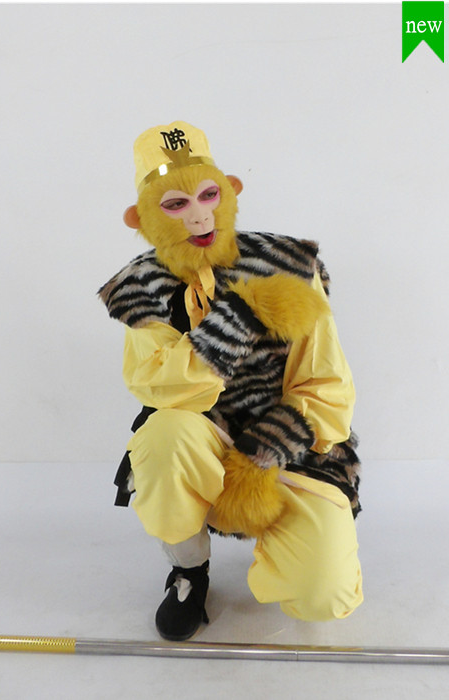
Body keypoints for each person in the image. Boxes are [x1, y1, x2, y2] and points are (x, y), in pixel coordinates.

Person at [99, 121, 363, 641]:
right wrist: (239, 317)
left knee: (325, 597)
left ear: (231, 193)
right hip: (202, 438)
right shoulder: (140, 287)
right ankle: (189, 570)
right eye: (175, 204)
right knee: (163, 434)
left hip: (293, 445)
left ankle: (301, 545)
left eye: (209, 195)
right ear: (142, 218)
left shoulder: (288, 264)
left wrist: (260, 458)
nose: (199, 215)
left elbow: (326, 384)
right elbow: (161, 388)